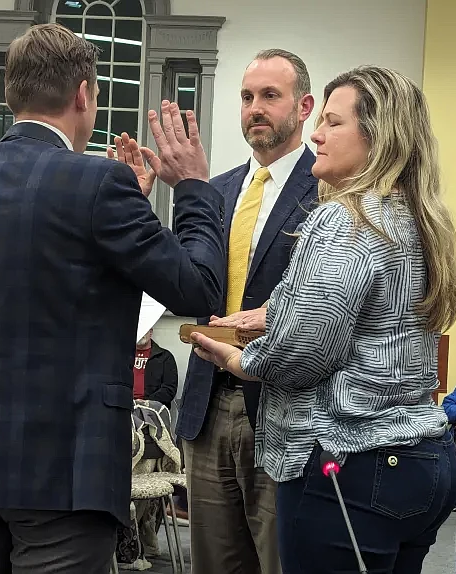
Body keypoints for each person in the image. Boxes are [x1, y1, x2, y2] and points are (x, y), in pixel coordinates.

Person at [0, 23, 225, 574]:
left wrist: (125, 205)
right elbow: (198, 286)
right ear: (83, 94)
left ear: (12, 92)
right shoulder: (100, 186)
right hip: (63, 469)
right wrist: (195, 190)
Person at [191, 65, 456, 574]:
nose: (315, 133)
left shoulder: (346, 217)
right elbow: (375, 314)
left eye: (334, 123)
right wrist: (276, 314)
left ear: (379, 137)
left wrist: (238, 357)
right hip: (424, 458)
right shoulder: (420, 217)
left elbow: (299, 357)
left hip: (349, 465)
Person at [176, 49, 318, 574]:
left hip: (284, 408)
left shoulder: (328, 190)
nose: (255, 109)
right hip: (208, 403)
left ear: (303, 106)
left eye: (270, 96)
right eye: (246, 97)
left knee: (281, 561)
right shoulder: (215, 192)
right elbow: (189, 289)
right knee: (214, 563)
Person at [133, 329, 178, 409]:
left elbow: (169, 389)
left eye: (144, 329)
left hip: (152, 410)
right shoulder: (122, 356)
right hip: (124, 407)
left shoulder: (165, 357)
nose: (140, 333)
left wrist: (146, 403)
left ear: (150, 332)